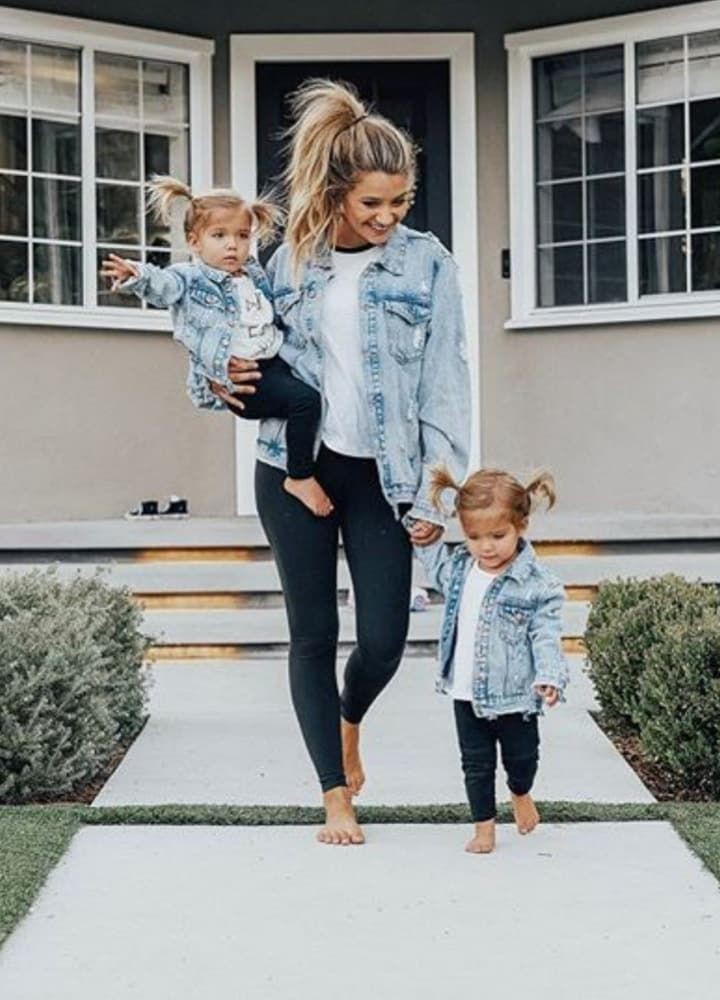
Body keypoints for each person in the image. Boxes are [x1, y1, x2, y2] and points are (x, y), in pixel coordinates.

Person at [209, 79, 471, 845]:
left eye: (400, 201)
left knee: (386, 637)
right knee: (314, 632)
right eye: (371, 205)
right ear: (335, 195)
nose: (388, 218)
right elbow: (227, 334)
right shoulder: (283, 262)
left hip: (384, 476)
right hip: (296, 470)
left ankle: (349, 717)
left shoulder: (428, 265)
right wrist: (224, 377)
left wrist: (436, 495)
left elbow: (446, 387)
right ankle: (333, 793)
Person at [101, 176, 333, 517]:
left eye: (242, 236)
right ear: (195, 243)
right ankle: (299, 475)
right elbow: (164, 284)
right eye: (219, 236)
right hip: (248, 381)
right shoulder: (192, 278)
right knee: (305, 402)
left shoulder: (252, 275)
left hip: (273, 362)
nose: (232, 246)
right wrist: (136, 275)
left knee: (314, 387)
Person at [417, 465, 568, 854]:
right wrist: (424, 534)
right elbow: (432, 562)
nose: (486, 546)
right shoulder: (459, 570)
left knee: (522, 760)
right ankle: (484, 827)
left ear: (522, 525)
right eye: (474, 537)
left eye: (498, 536)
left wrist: (549, 674)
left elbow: (545, 633)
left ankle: (521, 792)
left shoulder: (538, 583)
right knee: (476, 764)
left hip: (516, 695)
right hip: (465, 692)